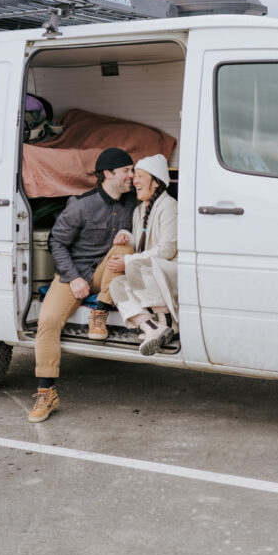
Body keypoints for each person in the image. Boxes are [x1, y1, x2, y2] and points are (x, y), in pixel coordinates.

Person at [29, 147, 135, 423]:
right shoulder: (82, 205)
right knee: (48, 320)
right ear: (109, 174)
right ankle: (46, 392)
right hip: (73, 274)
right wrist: (73, 277)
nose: (132, 176)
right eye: (127, 171)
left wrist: (129, 234)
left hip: (104, 276)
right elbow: (57, 242)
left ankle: (99, 313)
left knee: (125, 250)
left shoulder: (132, 204)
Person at [109, 154, 179, 356]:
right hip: (149, 270)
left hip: (168, 269)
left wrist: (128, 260)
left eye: (140, 176)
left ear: (156, 182)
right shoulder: (140, 210)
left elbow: (166, 250)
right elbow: (142, 243)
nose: (135, 181)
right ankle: (152, 328)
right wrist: (126, 237)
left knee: (133, 265)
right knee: (117, 285)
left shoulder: (169, 206)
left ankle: (166, 320)